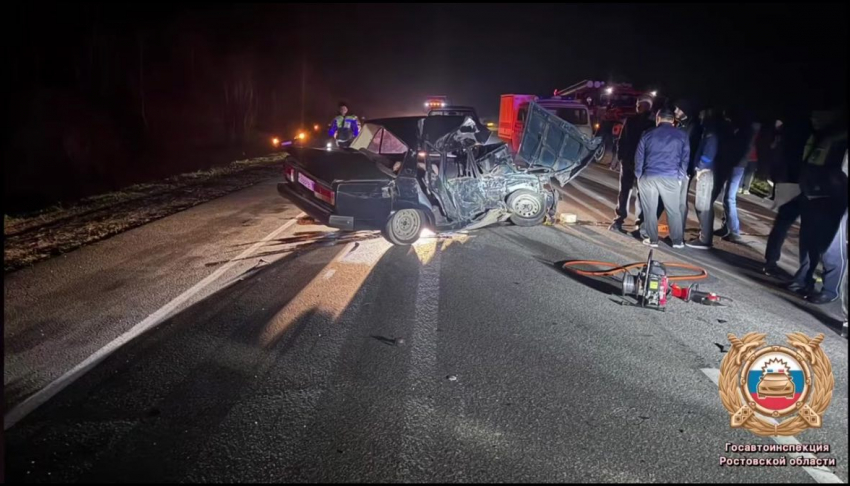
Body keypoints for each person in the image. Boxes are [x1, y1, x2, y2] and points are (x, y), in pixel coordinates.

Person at [787, 111, 847, 304]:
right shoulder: (819, 137)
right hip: (811, 193)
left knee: (831, 248)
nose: (814, 118)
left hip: (833, 198)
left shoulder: (841, 137)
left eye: (820, 114)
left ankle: (830, 291)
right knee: (807, 243)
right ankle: (803, 280)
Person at [762, 110, 811, 275]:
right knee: (805, 229)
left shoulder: (786, 133)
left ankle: (771, 262)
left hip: (789, 182)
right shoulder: (807, 133)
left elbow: (777, 155)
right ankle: (805, 273)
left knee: (782, 225)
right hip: (798, 183)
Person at [635, 108, 690, 248]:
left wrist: (639, 175)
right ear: (673, 121)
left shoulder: (647, 134)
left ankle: (652, 239)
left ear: (658, 119)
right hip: (671, 177)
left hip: (649, 176)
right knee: (674, 211)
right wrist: (680, 176)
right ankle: (677, 241)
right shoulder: (682, 135)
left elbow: (639, 157)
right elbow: (685, 158)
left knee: (650, 210)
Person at [609, 95, 655, 233]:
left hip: (630, 161)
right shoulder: (652, 124)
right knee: (642, 193)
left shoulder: (632, 121)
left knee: (625, 191)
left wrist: (621, 157)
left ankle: (619, 220)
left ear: (643, 106)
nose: (637, 106)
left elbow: (622, 141)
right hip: (643, 163)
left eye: (638, 104)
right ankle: (640, 224)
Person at [714, 109, 754, 243]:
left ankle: (735, 231)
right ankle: (727, 228)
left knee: (729, 198)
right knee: (727, 197)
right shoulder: (740, 130)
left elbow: (741, 150)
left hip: (736, 166)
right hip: (734, 164)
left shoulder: (745, 131)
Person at [685, 110, 721, 249]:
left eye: (702, 114)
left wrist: (700, 166)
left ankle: (705, 239)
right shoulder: (709, 130)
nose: (700, 116)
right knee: (703, 205)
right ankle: (705, 236)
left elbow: (709, 153)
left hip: (706, 172)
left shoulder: (711, 133)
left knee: (703, 206)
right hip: (706, 171)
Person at [674, 99, 703, 237]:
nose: (675, 111)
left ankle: (678, 235)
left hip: (684, 168)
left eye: (678, 109)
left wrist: (685, 170)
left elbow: (688, 149)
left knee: (680, 201)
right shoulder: (684, 124)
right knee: (678, 200)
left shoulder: (693, 127)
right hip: (680, 167)